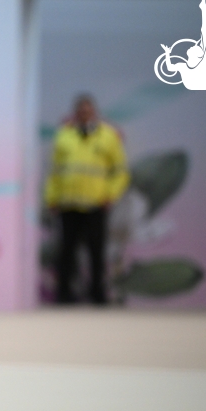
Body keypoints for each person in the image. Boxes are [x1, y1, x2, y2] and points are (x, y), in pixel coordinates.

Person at [44, 94, 129, 305]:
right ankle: (64, 293)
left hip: (95, 203)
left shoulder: (108, 136)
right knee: (66, 251)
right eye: (81, 110)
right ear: (75, 113)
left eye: (88, 110)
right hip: (69, 202)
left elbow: (120, 172)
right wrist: (52, 197)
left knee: (96, 251)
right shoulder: (64, 135)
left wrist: (110, 195)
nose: (84, 114)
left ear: (95, 112)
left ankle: (97, 294)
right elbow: (55, 171)